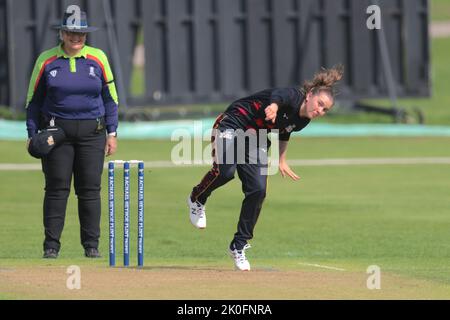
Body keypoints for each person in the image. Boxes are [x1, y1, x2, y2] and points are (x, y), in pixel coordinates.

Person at [188, 65, 344, 270]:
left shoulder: (304, 120)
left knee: (258, 190)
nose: (320, 111)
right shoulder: (292, 95)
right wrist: (274, 107)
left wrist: (281, 159)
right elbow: (278, 96)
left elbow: (285, 132)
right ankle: (197, 198)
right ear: (309, 96)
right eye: (320, 104)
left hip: (256, 138)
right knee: (225, 172)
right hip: (233, 122)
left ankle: (238, 245)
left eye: (325, 109)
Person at [25, 8, 119, 258]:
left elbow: (111, 99)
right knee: (56, 188)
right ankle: (51, 246)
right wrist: (31, 133)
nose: (76, 38)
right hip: (57, 132)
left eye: (81, 33)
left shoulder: (98, 58)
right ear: (62, 33)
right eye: (71, 33)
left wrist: (112, 133)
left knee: (89, 189)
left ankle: (91, 246)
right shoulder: (46, 60)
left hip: (93, 132)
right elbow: (33, 101)